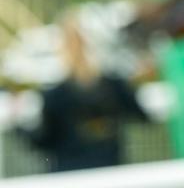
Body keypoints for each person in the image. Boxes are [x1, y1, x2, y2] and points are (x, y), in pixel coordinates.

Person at [23, 15, 149, 172]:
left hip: (72, 176)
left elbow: (43, 141)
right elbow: (142, 115)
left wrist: (21, 128)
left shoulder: (55, 95)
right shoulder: (114, 85)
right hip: (109, 172)